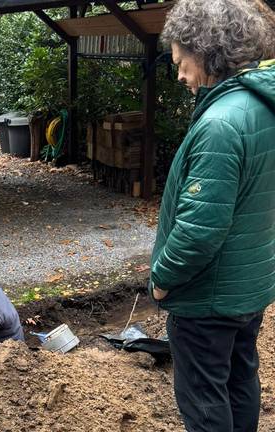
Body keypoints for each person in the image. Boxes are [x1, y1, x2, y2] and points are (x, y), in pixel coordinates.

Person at [152, 1, 275, 430]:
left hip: (208, 298)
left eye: (181, 63)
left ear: (207, 53)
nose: (181, 75)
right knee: (240, 378)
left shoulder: (221, 123)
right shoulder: (261, 104)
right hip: (248, 286)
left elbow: (199, 231)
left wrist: (162, 279)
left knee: (204, 399)